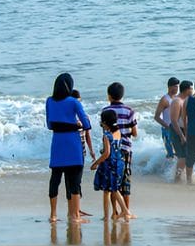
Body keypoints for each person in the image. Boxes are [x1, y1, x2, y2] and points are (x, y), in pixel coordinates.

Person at [46, 73, 92, 223]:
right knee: (74, 181)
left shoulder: (49, 101)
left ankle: (53, 215)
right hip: (72, 144)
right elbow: (87, 124)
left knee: (55, 179)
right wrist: (76, 124)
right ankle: (74, 215)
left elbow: (49, 125)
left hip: (57, 143)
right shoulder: (73, 102)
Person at [104, 82, 139, 214]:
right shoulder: (129, 111)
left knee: (113, 181)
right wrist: (127, 132)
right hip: (125, 148)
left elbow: (106, 132)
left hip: (111, 149)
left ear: (109, 96)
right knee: (125, 179)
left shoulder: (105, 111)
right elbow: (135, 133)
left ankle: (114, 212)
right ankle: (127, 210)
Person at [91, 109, 131, 220]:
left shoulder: (107, 135)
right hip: (119, 163)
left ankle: (118, 212)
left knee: (108, 191)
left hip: (109, 165)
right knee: (114, 188)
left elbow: (107, 153)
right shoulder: (118, 132)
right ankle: (121, 212)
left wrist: (95, 163)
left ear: (104, 123)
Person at [169, 80, 193, 182]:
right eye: (191, 88)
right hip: (176, 130)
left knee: (187, 155)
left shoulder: (186, 100)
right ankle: (177, 178)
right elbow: (174, 121)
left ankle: (184, 178)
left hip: (184, 130)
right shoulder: (177, 101)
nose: (193, 90)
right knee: (182, 156)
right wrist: (182, 136)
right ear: (187, 90)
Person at [153, 77, 179, 159]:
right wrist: (168, 127)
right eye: (176, 86)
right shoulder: (165, 99)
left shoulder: (177, 98)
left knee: (179, 154)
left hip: (177, 129)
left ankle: (178, 171)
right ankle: (167, 171)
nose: (177, 88)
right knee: (171, 155)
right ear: (170, 87)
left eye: (178, 86)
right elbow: (156, 117)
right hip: (168, 130)